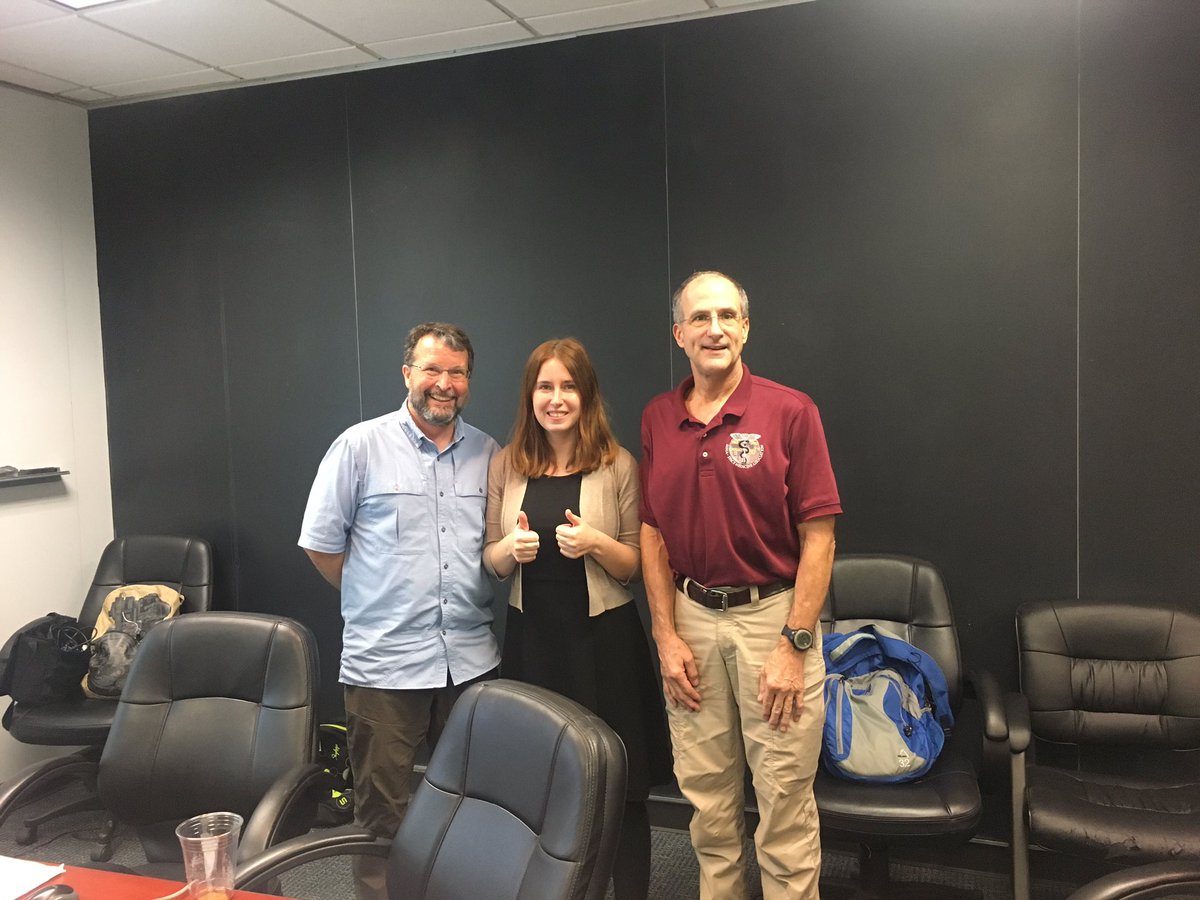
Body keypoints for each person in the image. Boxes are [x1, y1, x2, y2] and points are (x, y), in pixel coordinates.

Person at [639, 272, 842, 900]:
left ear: (746, 327)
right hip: (691, 620)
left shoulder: (790, 411)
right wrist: (666, 634)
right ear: (679, 334)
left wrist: (794, 643)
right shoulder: (657, 418)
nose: (715, 329)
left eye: (727, 316)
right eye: (700, 318)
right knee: (708, 805)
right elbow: (651, 533)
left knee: (782, 804)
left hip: (771, 620)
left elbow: (820, 539)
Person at [298, 322, 500, 900]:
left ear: (468, 380)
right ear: (408, 373)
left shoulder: (489, 452)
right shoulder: (359, 446)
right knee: (382, 818)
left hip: (470, 663)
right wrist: (378, 595)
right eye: (432, 369)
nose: (444, 383)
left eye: (456, 372)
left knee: (477, 806)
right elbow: (321, 544)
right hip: (385, 665)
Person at [485, 338, 672, 900]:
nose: (556, 398)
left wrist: (594, 542)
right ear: (530, 396)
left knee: (622, 785)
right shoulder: (507, 463)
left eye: (568, 386)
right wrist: (510, 550)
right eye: (545, 386)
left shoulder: (618, 464)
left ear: (586, 395)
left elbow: (634, 565)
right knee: (543, 783)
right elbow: (490, 558)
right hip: (533, 644)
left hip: (604, 643)